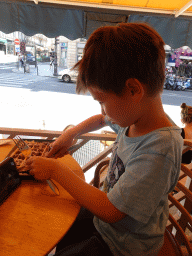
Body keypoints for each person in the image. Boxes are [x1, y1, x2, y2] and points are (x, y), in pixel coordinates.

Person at [26, 23, 183, 256]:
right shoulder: (135, 117)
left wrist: (56, 171)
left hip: (124, 244)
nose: (103, 110)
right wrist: (72, 134)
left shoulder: (159, 150)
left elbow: (111, 211)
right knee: (55, 220)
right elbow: (101, 119)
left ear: (133, 90)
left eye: (102, 100)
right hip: (106, 223)